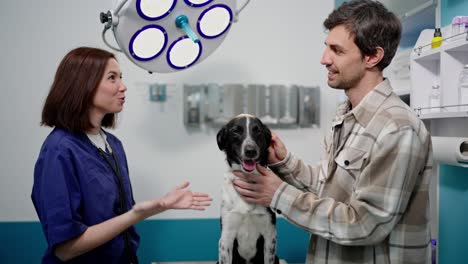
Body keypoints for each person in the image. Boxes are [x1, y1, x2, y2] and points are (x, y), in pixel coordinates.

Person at [232, 1, 433, 263]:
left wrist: (278, 194)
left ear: (372, 56)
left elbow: (364, 224)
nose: (324, 59)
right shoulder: (345, 116)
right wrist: (283, 162)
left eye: (336, 50)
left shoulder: (397, 128)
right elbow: (329, 189)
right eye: (326, 47)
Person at [31, 47, 212, 263]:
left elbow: (118, 219)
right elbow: (65, 248)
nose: (123, 87)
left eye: (121, 78)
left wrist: (160, 205)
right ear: (84, 84)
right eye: (112, 78)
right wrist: (137, 214)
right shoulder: (60, 149)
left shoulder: (113, 145)